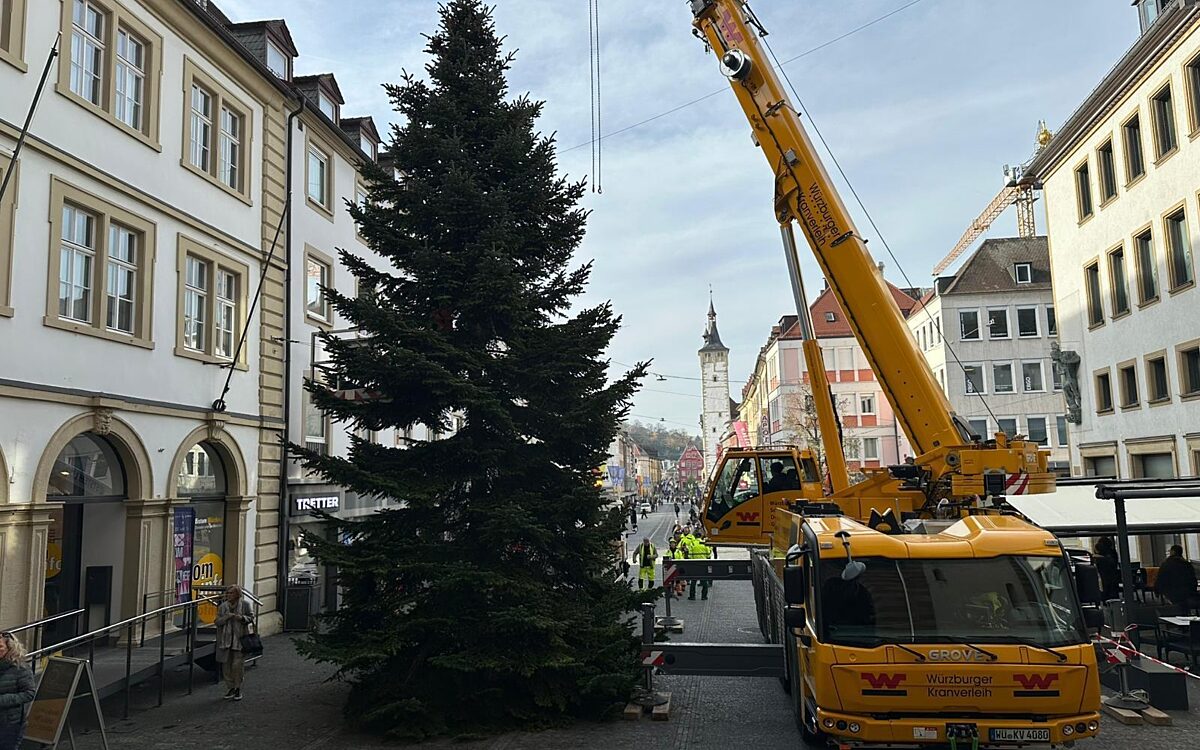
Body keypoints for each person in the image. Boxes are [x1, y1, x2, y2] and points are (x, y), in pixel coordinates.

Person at [215, 585, 254, 701]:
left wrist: (241, 618)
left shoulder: (245, 605)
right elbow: (217, 621)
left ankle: (237, 688)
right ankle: (230, 687)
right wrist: (226, 618)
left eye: (231, 593)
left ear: (237, 594)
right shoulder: (223, 607)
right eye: (227, 593)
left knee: (237, 666)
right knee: (226, 667)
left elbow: (251, 617)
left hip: (240, 640)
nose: (228, 595)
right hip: (225, 641)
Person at [0, 632, 34, 750]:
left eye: (0, 647)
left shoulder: (21, 668)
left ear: (10, 648)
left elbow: (29, 693)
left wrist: (3, 700)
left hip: (10, 724)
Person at [1155, 544, 1198, 615]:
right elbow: (1193, 579)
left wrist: (1157, 590)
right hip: (1186, 593)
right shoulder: (1186, 564)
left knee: (1175, 609)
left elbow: (1161, 579)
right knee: (1184, 608)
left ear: (1173, 552)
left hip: (1171, 593)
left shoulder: (1166, 564)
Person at [684, 532, 712, 600]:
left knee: (693, 581)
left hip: (694, 564)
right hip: (703, 564)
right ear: (701, 536)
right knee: (704, 581)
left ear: (695, 537)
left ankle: (692, 596)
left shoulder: (692, 543)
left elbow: (690, 555)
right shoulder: (704, 543)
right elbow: (708, 554)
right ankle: (704, 596)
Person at [1093, 536, 1120, 601]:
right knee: (1110, 593)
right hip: (1111, 576)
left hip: (1107, 576)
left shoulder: (1108, 554)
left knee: (1107, 592)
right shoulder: (1112, 553)